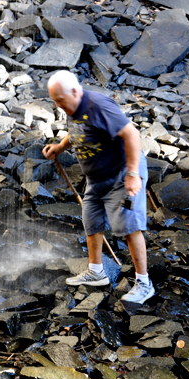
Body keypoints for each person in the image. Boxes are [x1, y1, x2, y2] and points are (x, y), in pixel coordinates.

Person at [42, 70, 154, 304]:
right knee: (91, 219)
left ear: (75, 91)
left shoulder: (98, 105)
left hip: (122, 174)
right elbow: (78, 133)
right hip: (96, 177)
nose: (58, 105)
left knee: (128, 225)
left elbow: (131, 134)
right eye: (54, 100)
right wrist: (59, 148)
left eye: (60, 100)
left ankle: (144, 283)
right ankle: (97, 272)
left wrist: (133, 174)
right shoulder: (72, 107)